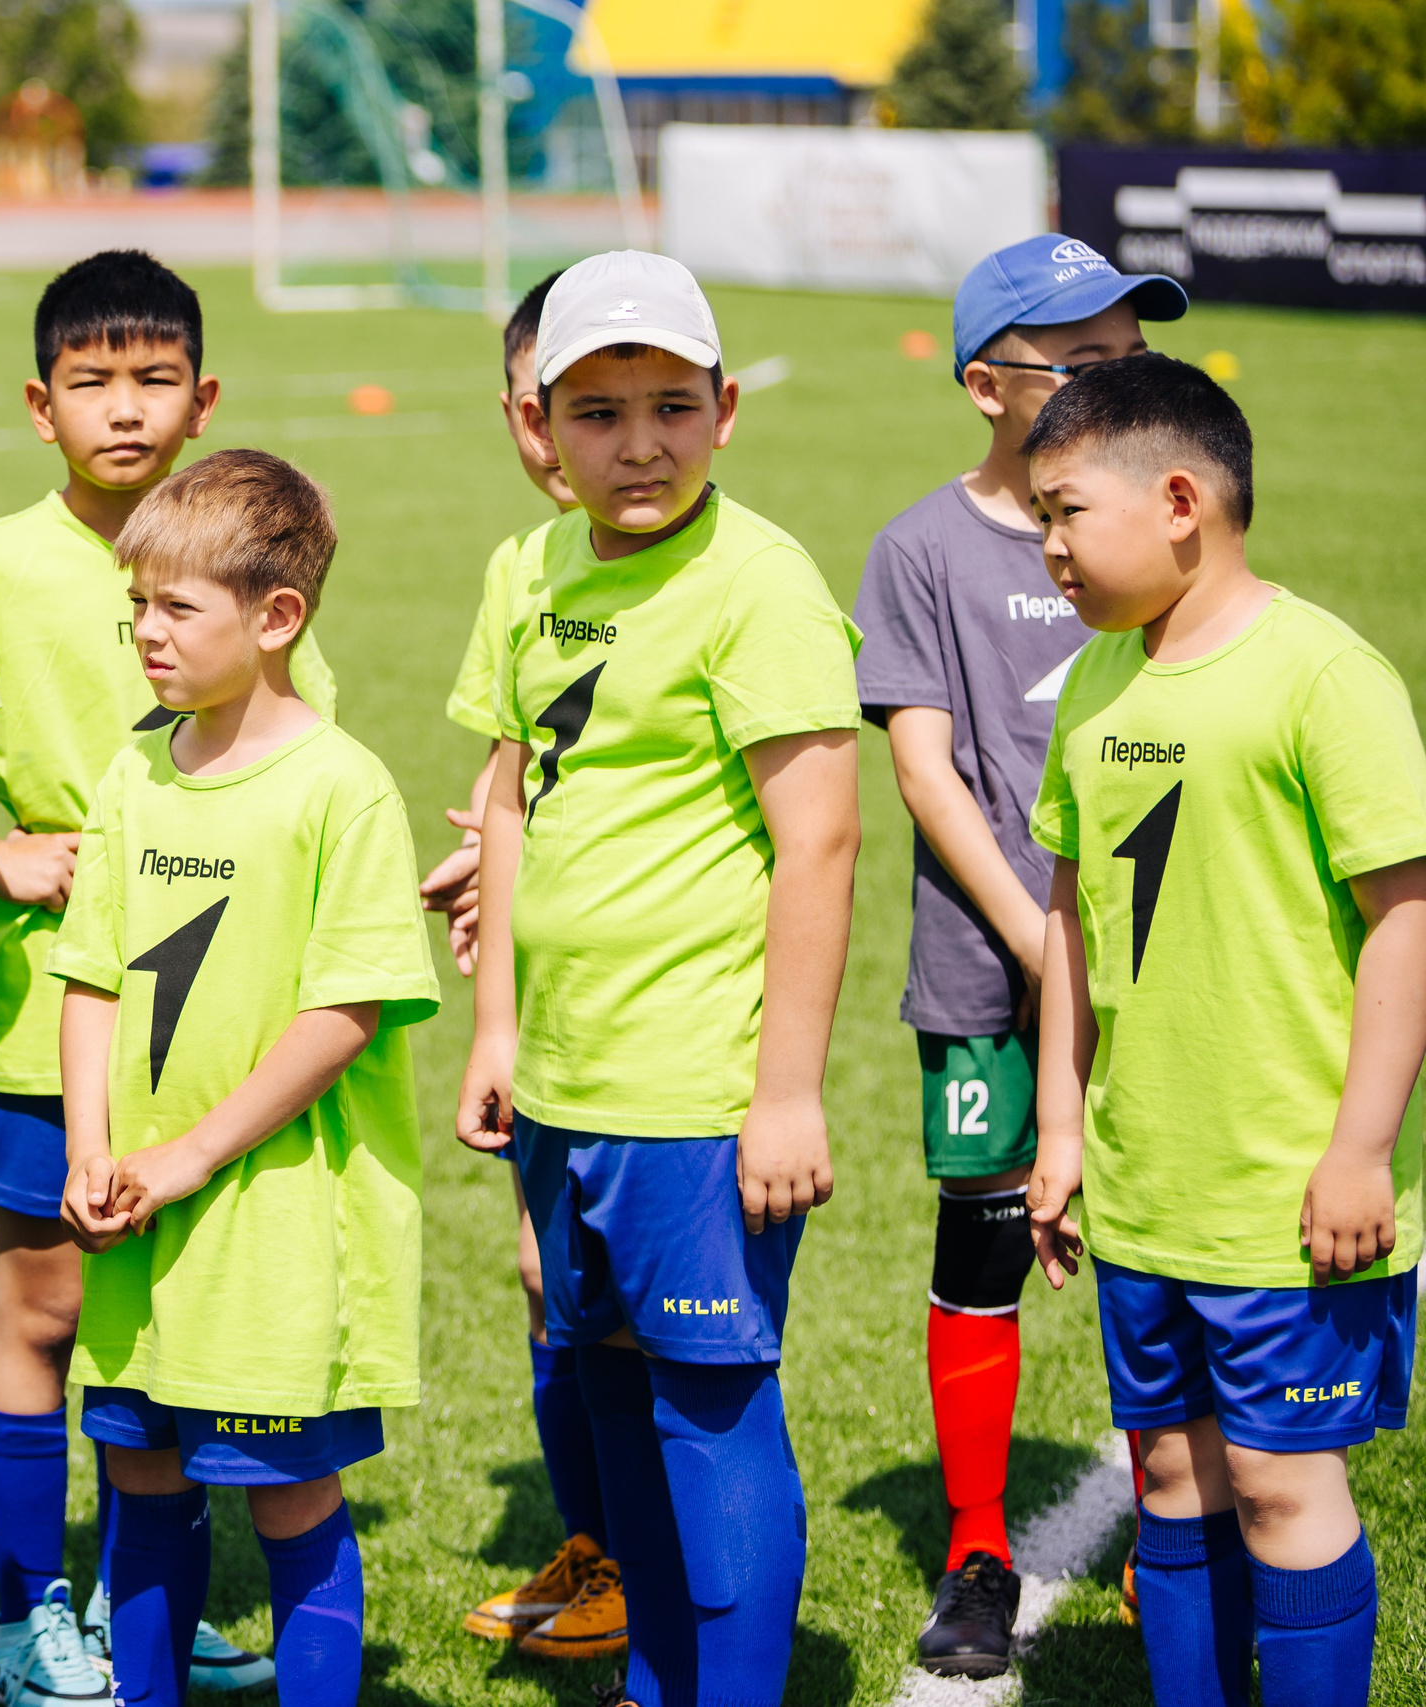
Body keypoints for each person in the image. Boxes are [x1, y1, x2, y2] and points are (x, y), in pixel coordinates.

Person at [455, 252, 861, 1707]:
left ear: (727, 409)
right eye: (600, 409)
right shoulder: (532, 566)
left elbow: (820, 835)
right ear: (541, 422)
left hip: (696, 1084)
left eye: (672, 406)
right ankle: (657, 1682)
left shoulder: (760, 583)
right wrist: (497, 1020)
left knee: (706, 1397)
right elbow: (509, 800)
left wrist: (788, 1092)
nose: (639, 443)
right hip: (565, 1074)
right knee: (610, 1376)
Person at [0, 250, 330, 1704]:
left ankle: (142, 1595)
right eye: (92, 381)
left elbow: (298, 754)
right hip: (48, 1012)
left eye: (154, 377)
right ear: (41, 405)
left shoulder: (243, 562)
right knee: (46, 1309)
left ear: (204, 395)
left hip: (210, 1021)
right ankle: (26, 1603)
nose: (125, 408)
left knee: (169, 1319)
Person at [1024, 354, 1426, 1707]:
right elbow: (1074, 922)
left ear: (1181, 498)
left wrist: (1360, 1146)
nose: (1051, 545)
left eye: (1068, 510)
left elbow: (1409, 921)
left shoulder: (1323, 676)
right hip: (1147, 1187)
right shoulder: (1091, 689)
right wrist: (1064, 1125)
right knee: (1174, 1475)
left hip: (1286, 1190)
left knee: (1278, 1479)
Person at [54, 448, 440, 1707]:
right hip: (132, 1213)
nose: (145, 636)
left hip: (269, 1222)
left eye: (176, 609)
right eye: (137, 609)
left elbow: (348, 1010)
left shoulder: (341, 787)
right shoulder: (134, 771)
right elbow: (93, 978)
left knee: (285, 1495)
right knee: (142, 1482)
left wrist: (191, 1154)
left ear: (277, 619)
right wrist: (88, 1150)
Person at [851, 234, 1186, 1675]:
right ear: (988, 383)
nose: (1124, 382)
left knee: (1168, 1226)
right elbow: (929, 774)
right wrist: (1043, 944)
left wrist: (1114, 951)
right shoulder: (922, 548)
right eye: (1087, 361)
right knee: (986, 1229)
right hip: (991, 965)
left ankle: (1181, 1522)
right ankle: (979, 1541)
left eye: (1136, 357)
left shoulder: (1163, 525)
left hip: (1165, 952)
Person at [420, 269, 628, 1667]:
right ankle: (599, 1541)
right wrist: (492, 853)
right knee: (547, 1273)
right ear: (525, 413)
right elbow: (522, 765)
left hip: (647, 998)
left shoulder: (707, 574)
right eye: (567, 407)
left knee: (630, 1299)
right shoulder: (523, 568)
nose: (593, 441)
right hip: (539, 992)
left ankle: (645, 1560)